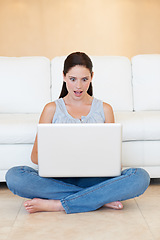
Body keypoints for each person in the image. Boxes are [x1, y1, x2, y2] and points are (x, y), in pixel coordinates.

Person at [5, 52, 150, 214]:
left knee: (140, 177)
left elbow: (114, 160)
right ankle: (97, 199)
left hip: (95, 180)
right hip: (58, 179)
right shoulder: (51, 109)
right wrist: (63, 155)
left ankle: (59, 204)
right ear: (64, 77)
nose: (78, 86)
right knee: (14, 176)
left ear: (92, 77)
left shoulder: (105, 109)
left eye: (84, 79)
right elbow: (35, 157)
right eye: (73, 79)